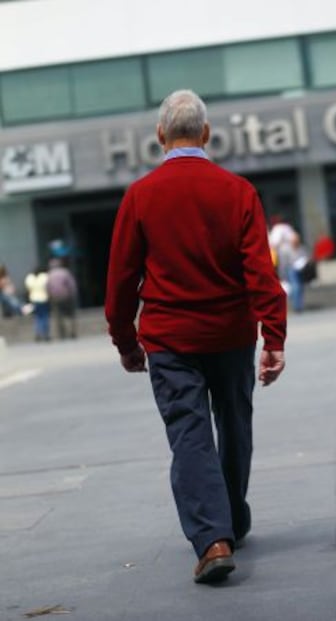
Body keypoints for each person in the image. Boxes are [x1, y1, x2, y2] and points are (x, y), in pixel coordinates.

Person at [105, 90, 287, 584]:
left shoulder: (140, 195)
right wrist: (274, 337)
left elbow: (121, 277)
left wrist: (126, 341)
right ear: (206, 134)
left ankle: (213, 539)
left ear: (160, 137)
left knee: (189, 434)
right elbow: (259, 272)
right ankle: (232, 519)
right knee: (234, 425)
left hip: (169, 340)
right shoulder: (237, 191)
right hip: (230, 334)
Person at [47, 259, 78, 339]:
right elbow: (72, 285)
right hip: (66, 296)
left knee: (58, 316)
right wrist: (73, 295)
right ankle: (72, 331)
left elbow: (47, 287)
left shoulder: (50, 274)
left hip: (55, 298)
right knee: (70, 315)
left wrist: (50, 296)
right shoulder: (65, 272)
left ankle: (62, 334)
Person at [25, 266, 50, 341]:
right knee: (44, 317)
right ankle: (45, 334)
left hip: (34, 299)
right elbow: (47, 286)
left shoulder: (30, 278)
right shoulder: (44, 277)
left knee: (37, 317)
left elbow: (28, 288)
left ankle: (38, 333)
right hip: (43, 299)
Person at [268, 215, 296, 282]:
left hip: (282, 252)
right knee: (292, 271)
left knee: (284, 275)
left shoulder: (278, 228)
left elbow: (275, 242)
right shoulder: (288, 227)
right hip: (291, 251)